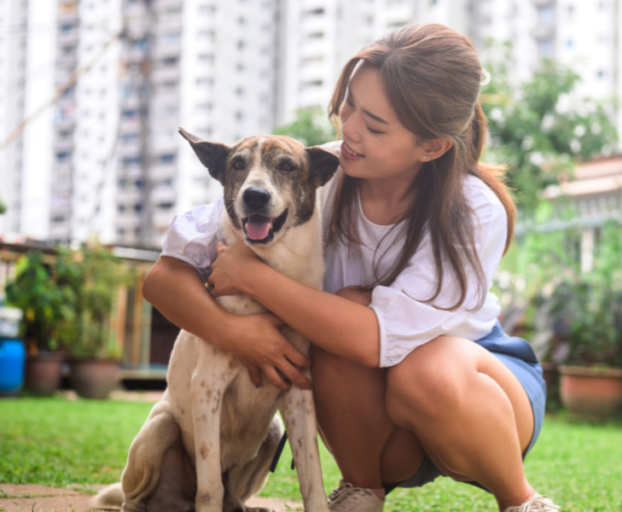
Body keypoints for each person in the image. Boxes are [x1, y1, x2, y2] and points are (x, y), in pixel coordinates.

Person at [142, 24, 558, 512]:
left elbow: (372, 337)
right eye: (349, 105)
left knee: (407, 359)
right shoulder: (309, 176)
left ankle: (521, 500)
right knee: (337, 320)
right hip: (383, 428)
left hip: (478, 399)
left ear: (431, 146)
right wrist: (237, 335)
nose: (350, 129)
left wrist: (254, 276)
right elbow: (163, 280)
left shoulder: (471, 208)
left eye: (376, 125)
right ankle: (362, 489)